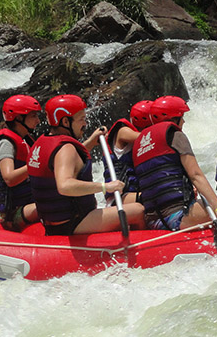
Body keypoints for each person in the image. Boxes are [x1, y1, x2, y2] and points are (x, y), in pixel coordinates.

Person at [28, 94, 146, 235]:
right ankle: (140, 244)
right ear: (65, 121)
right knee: (138, 210)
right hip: (73, 223)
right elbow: (65, 186)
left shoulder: (41, 143)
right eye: (81, 119)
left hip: (54, 221)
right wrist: (105, 186)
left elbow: (65, 161)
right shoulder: (66, 149)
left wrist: (90, 142)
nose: (85, 124)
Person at [133, 95, 217, 231]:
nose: (183, 121)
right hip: (176, 218)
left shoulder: (139, 144)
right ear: (173, 118)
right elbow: (195, 175)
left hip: (152, 221)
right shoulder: (175, 135)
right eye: (181, 117)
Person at [0, 95, 42, 232]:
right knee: (55, 206)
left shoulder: (26, 139)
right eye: (33, 116)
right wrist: (36, 164)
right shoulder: (6, 143)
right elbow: (9, 178)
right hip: (14, 213)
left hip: (29, 204)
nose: (38, 120)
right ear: (18, 118)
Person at [102, 100, 152, 205]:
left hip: (134, 193)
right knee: (159, 196)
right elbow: (149, 136)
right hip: (119, 198)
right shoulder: (123, 131)